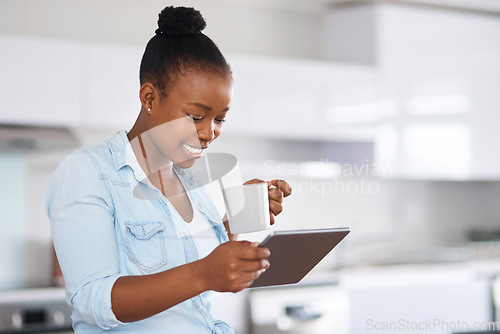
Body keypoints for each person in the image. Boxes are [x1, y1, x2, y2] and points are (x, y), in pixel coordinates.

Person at [45, 5, 292, 334]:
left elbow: (193, 262)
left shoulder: (189, 179)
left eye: (219, 119)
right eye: (195, 116)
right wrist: (204, 273)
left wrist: (237, 218)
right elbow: (93, 301)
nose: (209, 133)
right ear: (149, 97)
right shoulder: (87, 172)